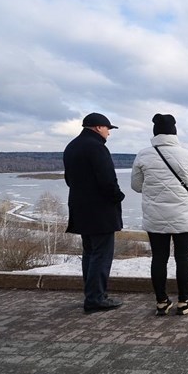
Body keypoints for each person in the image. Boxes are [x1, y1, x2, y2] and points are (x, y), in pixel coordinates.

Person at [131, 114, 188, 316]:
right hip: (183, 216)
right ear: (174, 132)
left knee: (159, 258)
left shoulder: (143, 155)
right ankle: (184, 300)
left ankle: (162, 301)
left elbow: (136, 186)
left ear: (155, 133)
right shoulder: (187, 154)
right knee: (183, 258)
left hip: (155, 216)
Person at [63, 112, 125, 313]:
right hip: (100, 212)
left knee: (90, 253)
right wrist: (118, 196)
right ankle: (96, 298)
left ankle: (92, 295)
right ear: (98, 127)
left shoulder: (72, 146)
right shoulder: (97, 148)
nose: (109, 133)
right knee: (101, 254)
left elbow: (69, 180)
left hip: (80, 208)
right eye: (108, 129)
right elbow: (108, 181)